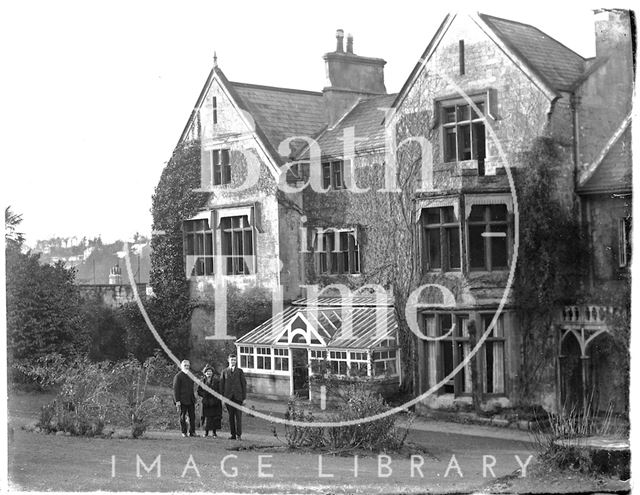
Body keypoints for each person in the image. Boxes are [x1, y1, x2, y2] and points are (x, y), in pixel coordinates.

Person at [219, 354, 246, 440]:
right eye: (231, 360)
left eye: (234, 360)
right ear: (228, 360)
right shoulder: (224, 372)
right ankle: (233, 435)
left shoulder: (240, 371)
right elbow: (221, 386)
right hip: (228, 397)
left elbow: (243, 385)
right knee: (231, 417)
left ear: (236, 361)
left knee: (238, 417)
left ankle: (239, 435)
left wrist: (244, 398)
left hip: (238, 397)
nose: (233, 361)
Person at [197, 365, 222, 437]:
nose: (209, 373)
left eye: (210, 371)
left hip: (214, 402)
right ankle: (206, 432)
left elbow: (219, 391)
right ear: (204, 373)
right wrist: (204, 394)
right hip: (205, 402)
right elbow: (199, 391)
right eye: (207, 371)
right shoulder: (202, 381)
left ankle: (214, 432)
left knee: (214, 417)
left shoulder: (216, 381)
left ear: (212, 373)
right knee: (206, 417)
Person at [173, 359, 196, 437]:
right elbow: (175, 389)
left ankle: (192, 432)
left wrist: (194, 399)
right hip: (182, 400)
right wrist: (177, 401)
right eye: (185, 365)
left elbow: (192, 389)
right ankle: (184, 432)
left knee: (192, 417)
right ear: (181, 366)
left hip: (190, 400)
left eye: (188, 365)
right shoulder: (178, 376)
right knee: (182, 417)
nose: (187, 367)